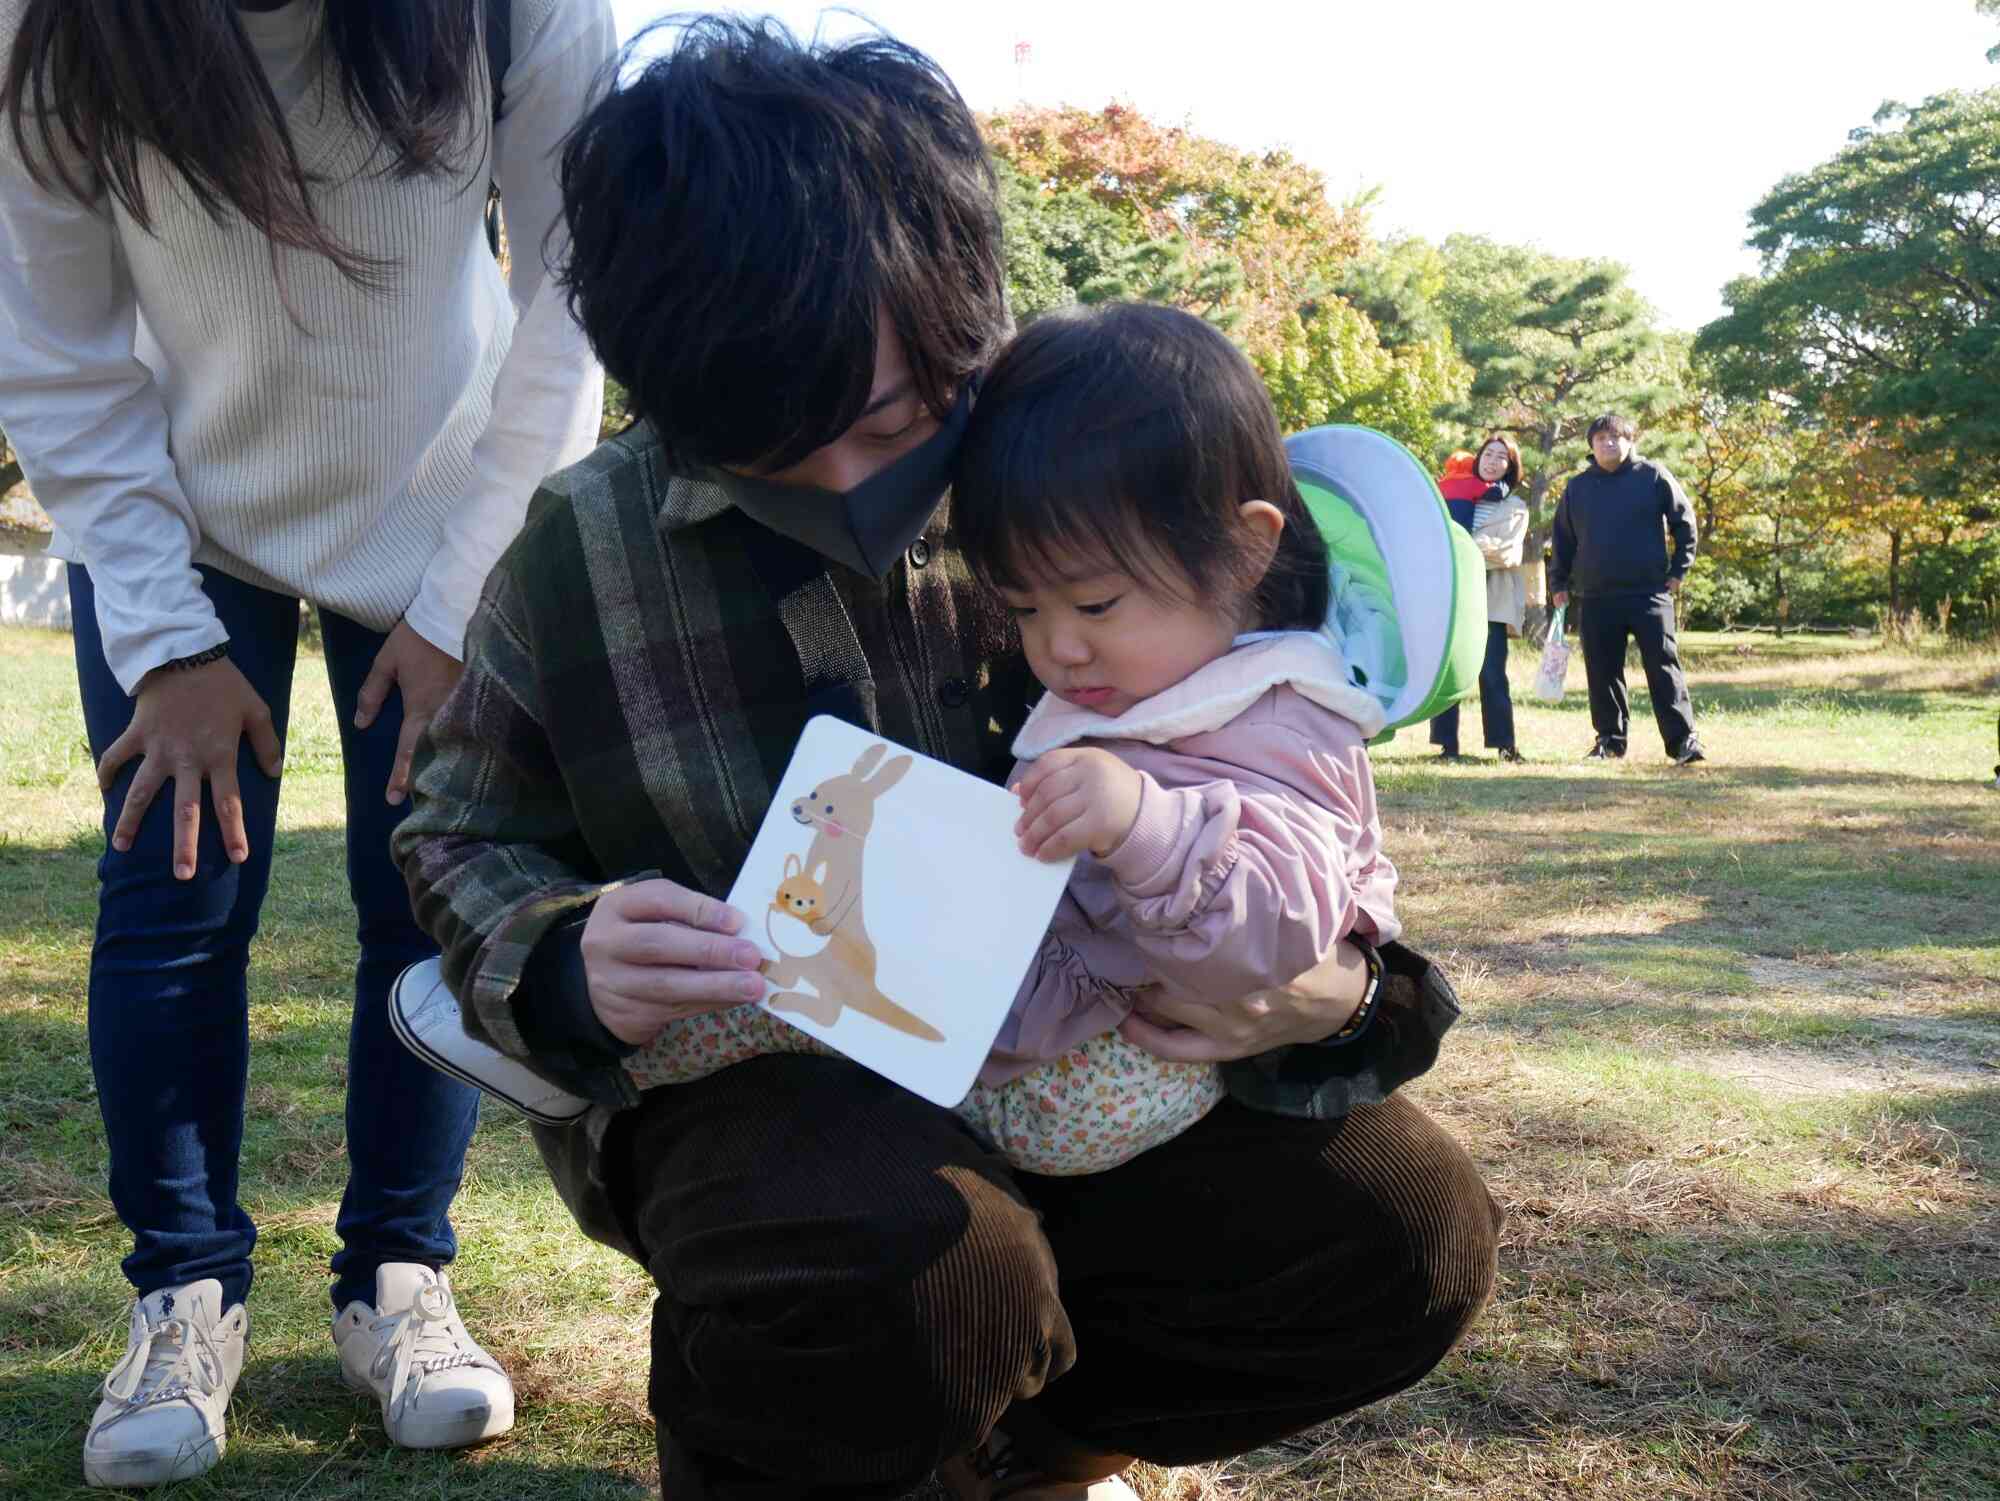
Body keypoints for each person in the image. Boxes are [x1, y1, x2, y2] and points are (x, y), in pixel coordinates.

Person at [395, 19, 1502, 1500]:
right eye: (777, 447)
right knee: (926, 1271)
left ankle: (1020, 1461)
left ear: (956, 315)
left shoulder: (1090, 461)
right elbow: (456, 830)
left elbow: (1287, 776)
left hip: (1091, 1045)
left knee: (1403, 1235)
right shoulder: (581, 550)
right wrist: (558, 958)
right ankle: (787, 1445)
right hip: (776, 1085)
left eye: (897, 423)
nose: (855, 490)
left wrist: (1347, 992)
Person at [0, 0, 614, 1485]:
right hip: (183, 501)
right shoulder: (57, 26)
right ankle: (182, 1291)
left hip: (454, 498)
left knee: (426, 895)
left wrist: (468, 597)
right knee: (172, 898)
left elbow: (576, 289)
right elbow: (56, 341)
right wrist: (163, 640)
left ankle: (397, 1279)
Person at [592, 301, 1406, 1179]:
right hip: (1036, 1021)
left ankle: (636, 1058)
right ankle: (606, 1052)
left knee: (799, 997)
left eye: (1095, 604)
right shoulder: (1148, 671)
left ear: (1246, 552)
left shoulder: (1284, 715)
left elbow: (1277, 930)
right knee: (803, 985)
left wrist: (1145, 822)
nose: (1058, 646)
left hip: (1110, 1078)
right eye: (1023, 608)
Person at [1548, 413, 1705, 765]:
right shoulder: (1578, 487)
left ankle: (1683, 741)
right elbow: (1562, 540)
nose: (1609, 443)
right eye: (1601, 438)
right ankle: (1610, 740)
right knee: (1602, 672)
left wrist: (1679, 570)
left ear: (1630, 441)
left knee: (1664, 667)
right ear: (1591, 445)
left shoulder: (1652, 476)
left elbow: (1685, 523)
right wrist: (1558, 583)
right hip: (1595, 595)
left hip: (1649, 593)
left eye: (1617, 437)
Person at [1429, 434, 1528, 763]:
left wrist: (1465, 546)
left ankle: (1505, 745)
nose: (1492, 460)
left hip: (1492, 602)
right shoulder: (1452, 495)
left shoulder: (1514, 506)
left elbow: (1508, 554)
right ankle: (1447, 746)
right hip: (1453, 597)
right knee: (1449, 672)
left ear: (1510, 467)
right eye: (1488, 453)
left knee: (1491, 673)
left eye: (1502, 457)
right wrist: (1478, 544)